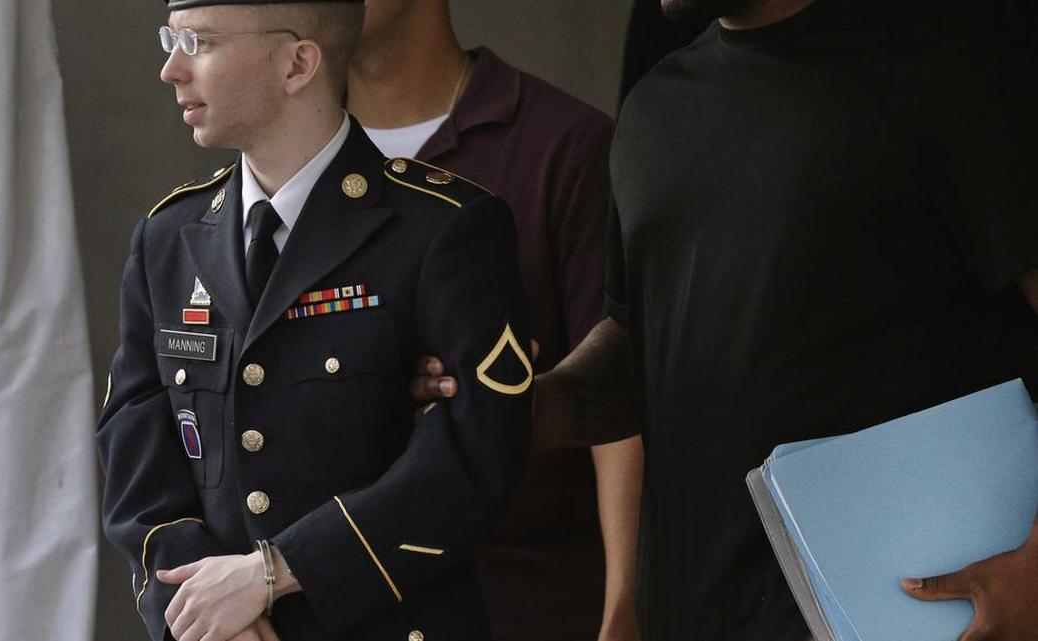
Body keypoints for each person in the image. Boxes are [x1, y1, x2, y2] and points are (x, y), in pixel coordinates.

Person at [413, 0, 1038, 639]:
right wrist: (523, 409)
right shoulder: (655, 107)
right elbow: (647, 353)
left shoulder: (948, 68)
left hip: (903, 614)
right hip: (694, 614)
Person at [97, 1, 534, 640]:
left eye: (199, 41)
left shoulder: (442, 229)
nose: (170, 69)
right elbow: (135, 450)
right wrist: (205, 611)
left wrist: (276, 572)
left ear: (299, 62)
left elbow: (474, 458)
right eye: (172, 39)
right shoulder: (168, 239)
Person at [346, 3, 644, 640]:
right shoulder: (289, 160)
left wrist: (626, 608)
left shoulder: (565, 145)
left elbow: (622, 396)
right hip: (348, 600)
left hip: (531, 604)